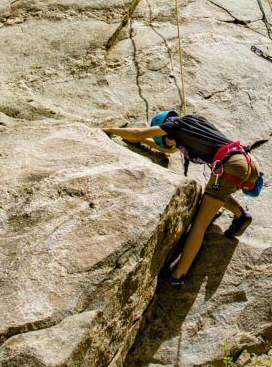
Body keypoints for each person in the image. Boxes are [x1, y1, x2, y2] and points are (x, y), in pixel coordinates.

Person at [103, 110, 259, 286]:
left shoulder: (174, 126)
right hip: (248, 161)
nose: (170, 144)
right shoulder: (192, 123)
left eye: (166, 138)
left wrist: (108, 130)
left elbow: (139, 133)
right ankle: (240, 215)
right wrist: (141, 141)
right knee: (214, 193)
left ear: (166, 129)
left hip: (232, 164)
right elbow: (163, 148)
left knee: (200, 222)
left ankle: (179, 274)